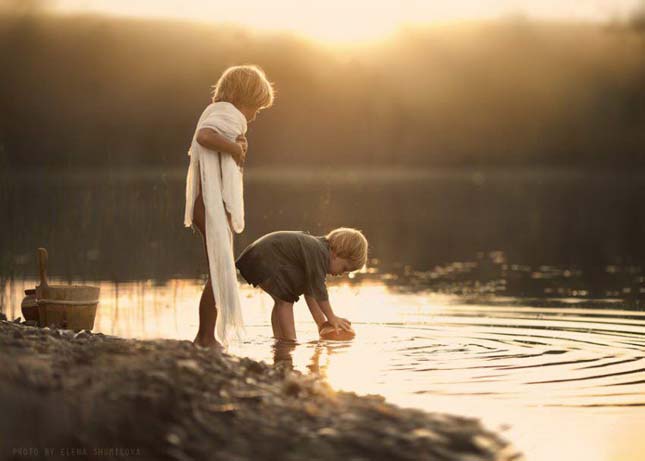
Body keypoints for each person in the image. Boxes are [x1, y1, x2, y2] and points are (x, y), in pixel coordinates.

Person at [184, 65, 274, 349]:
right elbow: (204, 136)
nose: (255, 116)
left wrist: (237, 148)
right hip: (208, 206)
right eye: (255, 109)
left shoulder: (222, 113)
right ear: (242, 97)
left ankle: (205, 336)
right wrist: (235, 149)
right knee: (219, 270)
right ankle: (206, 337)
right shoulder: (225, 111)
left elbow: (219, 153)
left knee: (219, 269)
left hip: (211, 204)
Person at [236, 228, 368, 341]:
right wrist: (332, 317)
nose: (341, 274)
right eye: (344, 268)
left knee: (281, 301)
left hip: (257, 256)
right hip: (264, 257)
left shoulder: (316, 251)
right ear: (336, 253)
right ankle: (290, 342)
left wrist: (322, 325)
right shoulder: (319, 253)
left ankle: (280, 341)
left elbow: (311, 294)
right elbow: (320, 293)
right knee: (285, 300)